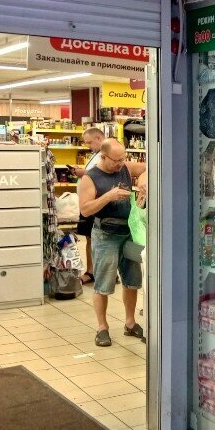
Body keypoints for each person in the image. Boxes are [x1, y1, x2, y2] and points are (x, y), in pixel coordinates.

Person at [77, 138, 147, 347]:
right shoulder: (90, 178)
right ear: (103, 156)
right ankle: (102, 327)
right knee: (103, 284)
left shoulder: (125, 167)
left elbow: (147, 167)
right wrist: (108, 196)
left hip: (129, 233)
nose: (120, 164)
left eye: (122, 159)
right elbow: (85, 210)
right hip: (105, 235)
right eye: (116, 160)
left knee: (132, 281)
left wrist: (142, 182)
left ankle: (130, 323)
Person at [72, 127, 106, 284]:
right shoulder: (96, 154)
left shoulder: (106, 155)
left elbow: (101, 175)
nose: (88, 146)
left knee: (94, 238)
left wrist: (83, 173)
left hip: (95, 204)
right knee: (90, 238)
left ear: (99, 138)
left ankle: (94, 272)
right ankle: (95, 270)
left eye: (89, 142)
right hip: (88, 203)